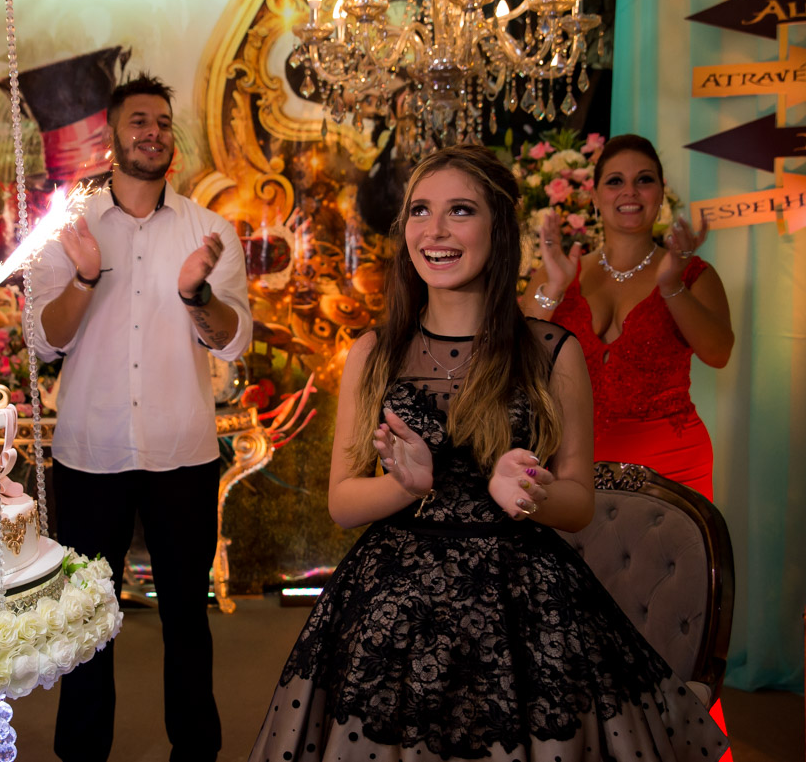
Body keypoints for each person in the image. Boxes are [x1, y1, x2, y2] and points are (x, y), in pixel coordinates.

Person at [248, 145, 727, 762]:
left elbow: (579, 503)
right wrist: (405, 486)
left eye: (460, 210)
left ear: (498, 229)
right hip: (394, 607)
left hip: (522, 605)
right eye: (420, 211)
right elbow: (342, 502)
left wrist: (527, 493)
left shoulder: (551, 351)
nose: (435, 230)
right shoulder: (374, 351)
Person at [29, 73, 253, 762]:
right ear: (112, 136)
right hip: (88, 453)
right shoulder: (67, 231)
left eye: (161, 122)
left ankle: (197, 752)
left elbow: (233, 341)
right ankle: (81, 753)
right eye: (138, 121)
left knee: (187, 617)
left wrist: (196, 295)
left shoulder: (209, 231)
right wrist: (85, 277)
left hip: (182, 455)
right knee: (86, 620)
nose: (152, 132)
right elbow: (44, 339)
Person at [522, 134, 733, 500]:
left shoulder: (693, 274)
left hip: (672, 469)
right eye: (615, 181)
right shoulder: (559, 271)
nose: (630, 192)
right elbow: (515, 359)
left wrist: (671, 287)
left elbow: (718, 353)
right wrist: (553, 289)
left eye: (644, 180)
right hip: (570, 465)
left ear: (661, 194)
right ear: (594, 196)